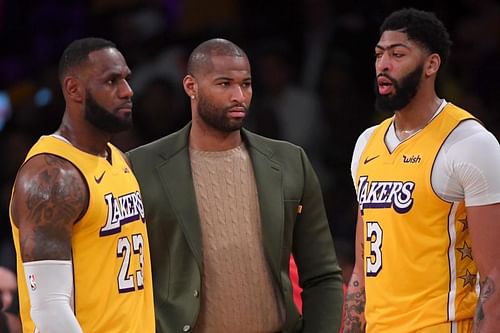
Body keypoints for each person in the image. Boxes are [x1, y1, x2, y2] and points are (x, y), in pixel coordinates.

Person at [127, 38, 344, 333]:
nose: (239, 95)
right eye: (224, 84)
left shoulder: (290, 161)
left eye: (246, 84)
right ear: (191, 87)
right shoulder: (141, 166)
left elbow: (322, 274)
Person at [344, 8, 500, 333]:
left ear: (431, 64)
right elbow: (361, 269)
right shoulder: (366, 143)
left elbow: (495, 276)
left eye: (398, 54)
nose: (383, 65)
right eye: (379, 55)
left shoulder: (470, 144)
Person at [9, 37, 155, 333]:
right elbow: (49, 311)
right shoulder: (51, 177)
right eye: (112, 81)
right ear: (74, 89)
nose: (128, 91)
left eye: (126, 79)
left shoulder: (118, 159)